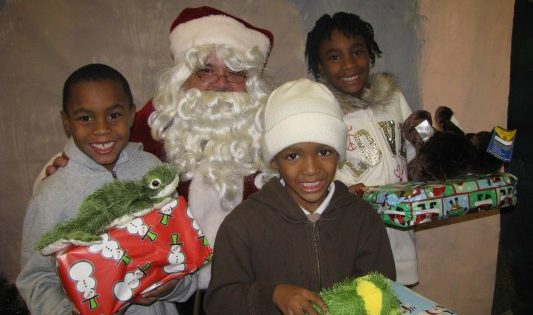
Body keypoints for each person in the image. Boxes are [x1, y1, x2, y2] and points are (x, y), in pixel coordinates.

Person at [35, 5, 274, 305]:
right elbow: (99, 147)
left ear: (250, 83)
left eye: (235, 73)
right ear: (183, 78)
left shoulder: (271, 130)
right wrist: (62, 167)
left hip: (250, 287)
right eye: (206, 71)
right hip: (172, 293)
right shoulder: (153, 123)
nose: (222, 83)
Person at [16, 64, 197, 315]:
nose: (101, 129)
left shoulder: (153, 171)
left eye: (114, 115)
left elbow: (180, 249)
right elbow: (35, 279)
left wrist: (171, 287)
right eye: (85, 118)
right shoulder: (52, 194)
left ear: (132, 115)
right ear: (66, 122)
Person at [204, 78, 395, 315]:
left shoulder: (362, 218)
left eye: (324, 152)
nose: (311, 169)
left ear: (339, 153)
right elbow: (219, 303)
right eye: (293, 156)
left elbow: (380, 288)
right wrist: (272, 295)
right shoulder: (242, 226)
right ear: (274, 160)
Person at [305, 12, 419, 286]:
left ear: (370, 53)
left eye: (357, 51)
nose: (348, 64)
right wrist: (344, 188)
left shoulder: (394, 99)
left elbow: (418, 149)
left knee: (398, 294)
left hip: (398, 229)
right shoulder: (321, 113)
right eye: (334, 57)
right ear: (319, 66)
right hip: (349, 229)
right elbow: (313, 170)